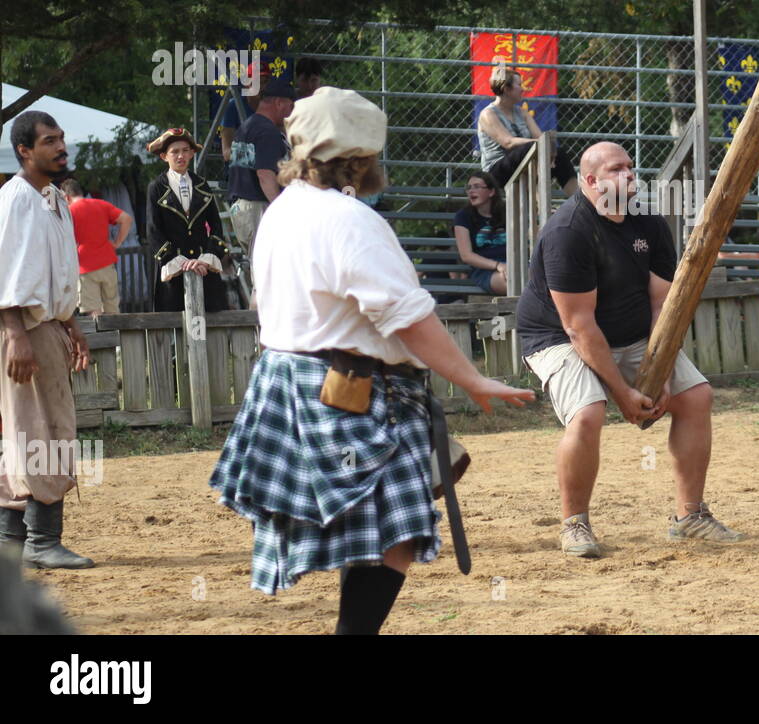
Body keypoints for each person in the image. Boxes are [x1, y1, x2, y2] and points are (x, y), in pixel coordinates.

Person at [209, 87, 532, 633]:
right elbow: (406, 317)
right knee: (398, 527)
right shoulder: (349, 219)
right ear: (359, 157)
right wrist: (471, 377)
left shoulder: (282, 211)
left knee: (378, 527)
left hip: (296, 385)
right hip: (347, 388)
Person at [516, 141, 741, 558]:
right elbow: (578, 324)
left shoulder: (648, 222)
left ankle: (690, 516)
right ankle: (575, 524)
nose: (630, 175)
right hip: (558, 337)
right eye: (617, 169)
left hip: (632, 331)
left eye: (631, 168)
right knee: (588, 413)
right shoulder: (569, 231)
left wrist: (664, 368)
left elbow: (663, 302)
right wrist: (623, 393)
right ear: (590, 181)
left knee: (696, 397)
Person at [0, 111, 94, 569]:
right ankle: (41, 540)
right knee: (42, 432)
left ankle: (12, 542)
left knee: (29, 431)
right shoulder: (15, 200)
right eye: (49, 141)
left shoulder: (54, 198)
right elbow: (4, 273)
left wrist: (72, 325)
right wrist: (15, 334)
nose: (61, 147)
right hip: (26, 331)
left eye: (61, 139)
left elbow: (57, 272)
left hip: (49, 327)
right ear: (25, 150)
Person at [145, 128, 231, 313]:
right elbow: (153, 231)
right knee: (174, 328)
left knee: (212, 325)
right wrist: (177, 261)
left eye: (185, 150)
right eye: (174, 152)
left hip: (203, 268)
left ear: (192, 153)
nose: (180, 156)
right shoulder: (156, 187)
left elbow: (216, 226)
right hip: (173, 270)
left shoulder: (202, 184)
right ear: (164, 156)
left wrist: (206, 259)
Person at [477, 62, 578, 195]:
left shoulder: (522, 112)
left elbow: (539, 138)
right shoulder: (488, 114)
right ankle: (537, 202)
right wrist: (543, 143)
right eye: (518, 85)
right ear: (506, 89)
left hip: (526, 162)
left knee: (560, 154)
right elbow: (508, 142)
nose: (522, 89)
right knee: (530, 147)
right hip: (497, 171)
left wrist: (550, 145)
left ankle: (578, 202)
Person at [227, 74, 295, 268]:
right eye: (291, 106)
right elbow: (265, 174)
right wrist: (280, 209)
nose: (291, 113)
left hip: (242, 208)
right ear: (279, 103)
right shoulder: (267, 131)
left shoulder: (248, 126)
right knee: (268, 275)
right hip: (257, 208)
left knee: (261, 276)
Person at [62, 178, 133, 320]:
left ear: (67, 197)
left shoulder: (69, 212)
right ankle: (116, 341)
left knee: (93, 312)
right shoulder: (101, 204)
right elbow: (127, 219)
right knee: (112, 308)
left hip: (85, 266)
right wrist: (117, 242)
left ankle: (102, 342)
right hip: (107, 263)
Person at [453, 171, 508, 296]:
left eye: (477, 186)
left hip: (515, 263)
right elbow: (466, 256)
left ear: (491, 192)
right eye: (469, 187)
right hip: (486, 270)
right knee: (514, 282)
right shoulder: (463, 216)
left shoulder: (507, 211)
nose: (471, 191)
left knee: (542, 278)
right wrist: (498, 265)